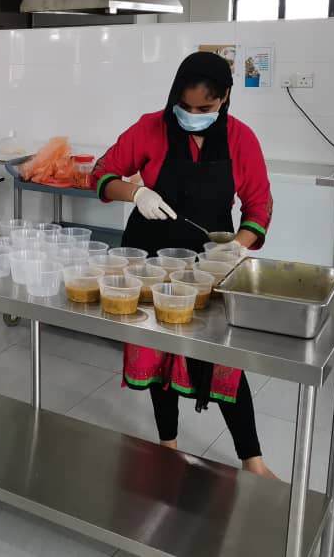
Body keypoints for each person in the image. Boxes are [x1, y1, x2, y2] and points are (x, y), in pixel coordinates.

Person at [93, 51, 276, 478]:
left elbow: (259, 204)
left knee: (224, 358)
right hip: (152, 259)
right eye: (186, 107)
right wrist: (136, 194)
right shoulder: (150, 128)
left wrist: (237, 247)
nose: (193, 116)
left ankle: (252, 459)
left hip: (212, 264)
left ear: (225, 98)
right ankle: (168, 447)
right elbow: (102, 174)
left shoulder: (240, 139)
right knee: (161, 356)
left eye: (205, 109)